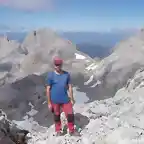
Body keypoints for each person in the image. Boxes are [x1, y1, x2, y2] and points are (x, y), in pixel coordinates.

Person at [46, 57, 80, 136]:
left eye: (59, 65)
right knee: (56, 115)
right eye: (56, 65)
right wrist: (49, 103)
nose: (57, 66)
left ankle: (72, 130)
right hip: (55, 100)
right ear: (54, 65)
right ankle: (58, 131)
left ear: (61, 65)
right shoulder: (50, 75)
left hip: (65, 99)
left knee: (70, 114)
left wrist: (72, 99)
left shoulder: (66, 74)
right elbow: (48, 89)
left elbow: (70, 87)